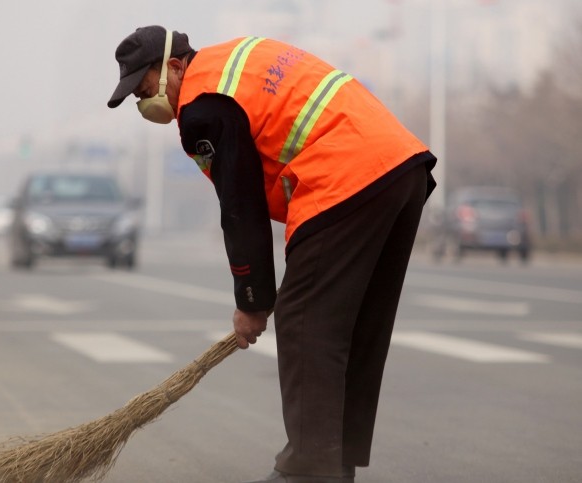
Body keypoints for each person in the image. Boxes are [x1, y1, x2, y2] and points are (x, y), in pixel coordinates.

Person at [107, 26, 436, 483]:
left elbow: (240, 207)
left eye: (145, 91)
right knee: (355, 328)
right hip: (402, 169)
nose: (146, 105)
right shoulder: (240, 58)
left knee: (304, 320)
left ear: (175, 67)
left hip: (345, 179)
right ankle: (335, 462)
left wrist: (252, 301)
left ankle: (309, 470)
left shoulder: (204, 107)